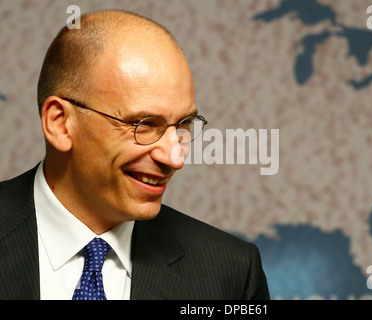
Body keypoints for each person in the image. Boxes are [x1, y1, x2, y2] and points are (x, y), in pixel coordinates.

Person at [0, 10, 270, 300]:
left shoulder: (230, 274)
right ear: (60, 123)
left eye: (183, 126)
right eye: (144, 125)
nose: (174, 158)